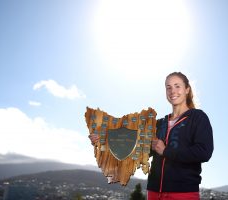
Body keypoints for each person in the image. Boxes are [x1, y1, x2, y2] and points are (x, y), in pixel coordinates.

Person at [88, 72, 214, 200]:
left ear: (187, 89)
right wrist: (107, 140)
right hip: (153, 192)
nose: (172, 91)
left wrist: (166, 151)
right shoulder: (159, 123)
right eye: (168, 87)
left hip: (182, 193)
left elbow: (204, 152)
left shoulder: (198, 118)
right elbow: (139, 148)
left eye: (177, 86)